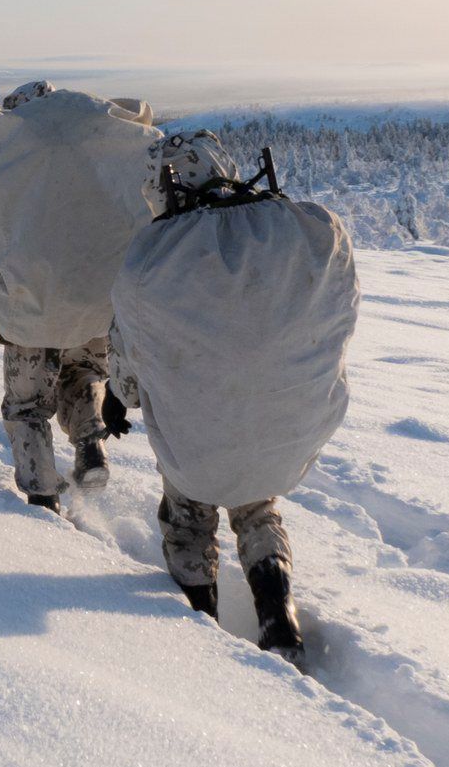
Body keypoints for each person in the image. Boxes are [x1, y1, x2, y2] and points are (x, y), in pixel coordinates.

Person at [109, 129, 353, 661]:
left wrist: (120, 394)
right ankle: (278, 613)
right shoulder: (302, 228)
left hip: (197, 436)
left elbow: (130, 362)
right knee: (256, 502)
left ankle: (200, 624)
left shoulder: (153, 258)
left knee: (188, 512)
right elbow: (338, 317)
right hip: (286, 426)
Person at [0, 80, 159, 511]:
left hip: (31, 309)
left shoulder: (7, 166)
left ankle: (41, 497)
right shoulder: (100, 152)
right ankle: (90, 442)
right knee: (84, 374)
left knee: (28, 406)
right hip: (98, 304)